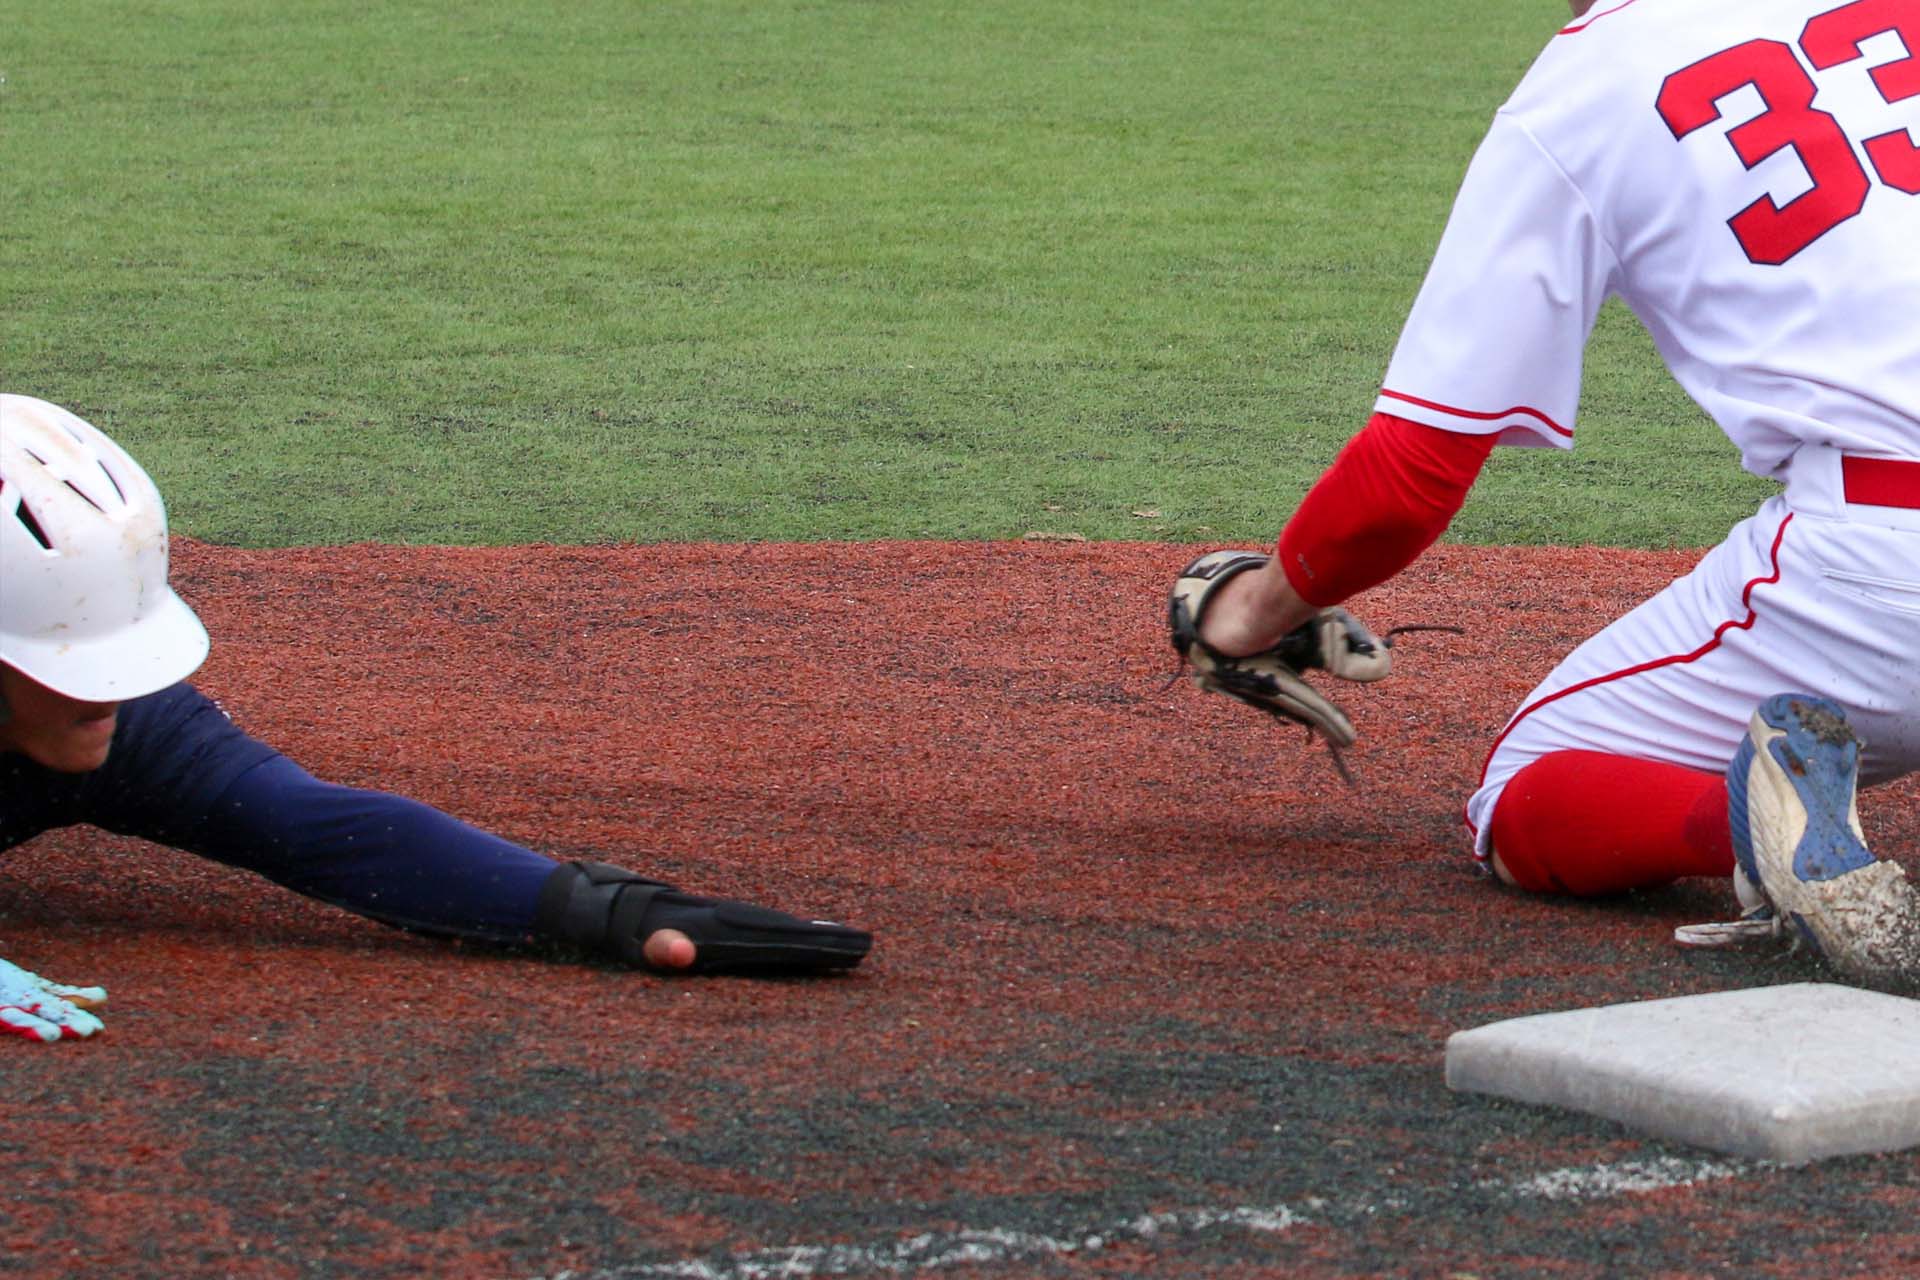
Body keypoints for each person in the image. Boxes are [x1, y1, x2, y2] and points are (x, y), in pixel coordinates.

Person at [1170, 0, 1920, 981]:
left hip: (1881, 580)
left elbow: (1409, 477)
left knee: (1523, 789)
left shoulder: (1587, 85)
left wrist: (1254, 609)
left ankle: (1757, 826)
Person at [0, 394, 871, 1044]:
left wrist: (608, 913)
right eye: (67, 658)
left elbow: (322, 829)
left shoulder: (128, 729)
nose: (106, 690)